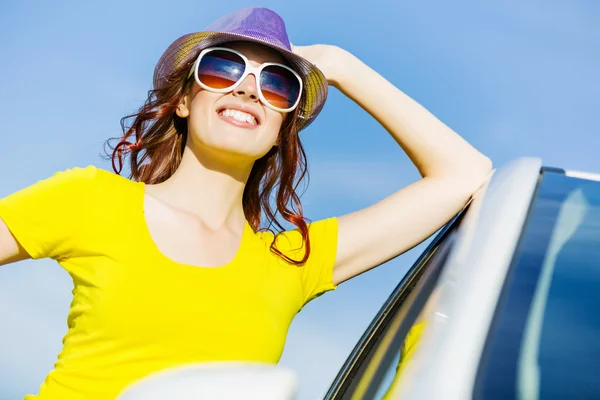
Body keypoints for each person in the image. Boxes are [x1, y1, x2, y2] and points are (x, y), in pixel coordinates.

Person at [0, 6, 492, 400]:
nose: (247, 88)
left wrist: (340, 66)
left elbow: (465, 174)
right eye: (221, 69)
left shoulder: (292, 260)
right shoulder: (90, 199)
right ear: (184, 101)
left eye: (278, 83)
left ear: (283, 130)